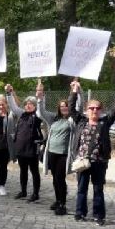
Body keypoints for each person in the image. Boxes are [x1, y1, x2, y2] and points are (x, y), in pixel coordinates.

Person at [69, 80, 115, 225]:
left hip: (99, 162)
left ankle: (99, 216)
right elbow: (71, 108)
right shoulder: (81, 121)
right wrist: (74, 92)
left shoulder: (104, 122)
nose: (94, 110)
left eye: (97, 108)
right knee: (81, 189)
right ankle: (80, 212)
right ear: (87, 110)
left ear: (101, 110)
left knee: (98, 190)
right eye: (91, 108)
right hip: (83, 162)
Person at [36, 80, 82, 215]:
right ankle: (57, 200)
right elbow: (42, 112)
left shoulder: (72, 120)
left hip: (63, 154)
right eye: (62, 106)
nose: (64, 108)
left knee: (60, 179)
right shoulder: (54, 118)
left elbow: (78, 107)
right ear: (59, 108)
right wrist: (40, 98)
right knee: (55, 179)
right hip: (51, 153)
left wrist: (77, 91)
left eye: (66, 106)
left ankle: (62, 204)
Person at [6, 84, 43, 202]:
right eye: (26, 104)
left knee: (34, 172)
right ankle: (23, 191)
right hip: (21, 149)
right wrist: (9, 93)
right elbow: (13, 107)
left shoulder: (37, 115)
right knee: (23, 171)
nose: (27, 105)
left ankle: (36, 193)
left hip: (32, 150)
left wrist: (39, 96)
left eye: (30, 104)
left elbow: (41, 108)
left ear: (35, 106)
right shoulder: (22, 114)